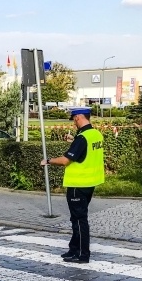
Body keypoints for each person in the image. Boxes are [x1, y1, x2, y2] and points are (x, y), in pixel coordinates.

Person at [40, 107, 104, 263]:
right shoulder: (95, 134)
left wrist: (48, 161)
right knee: (76, 218)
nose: (74, 122)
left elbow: (65, 161)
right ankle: (73, 249)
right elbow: (86, 152)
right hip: (90, 183)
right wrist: (72, 141)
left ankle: (83, 254)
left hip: (77, 185)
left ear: (79, 117)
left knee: (80, 220)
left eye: (74, 119)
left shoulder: (82, 138)